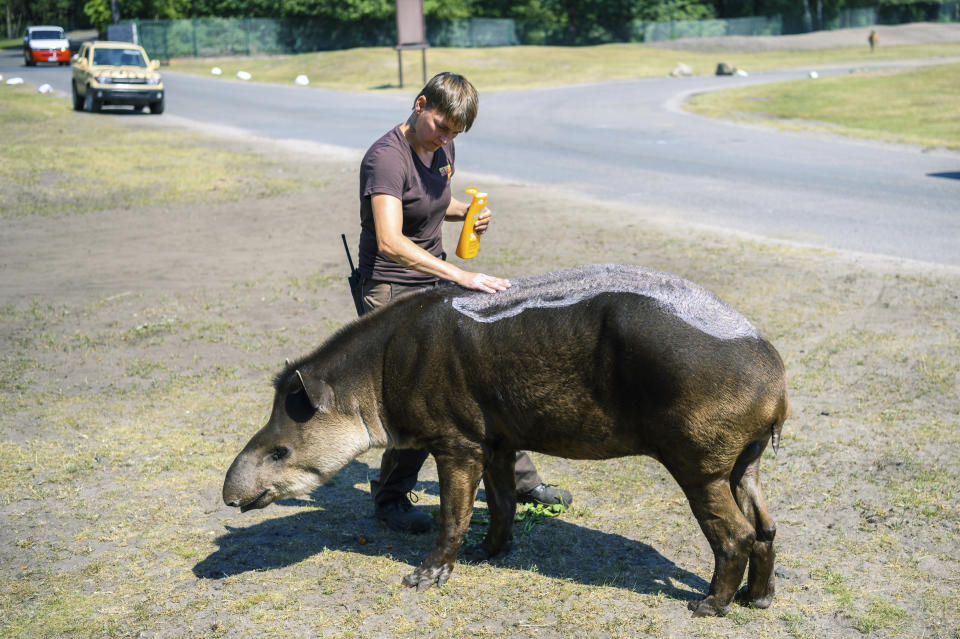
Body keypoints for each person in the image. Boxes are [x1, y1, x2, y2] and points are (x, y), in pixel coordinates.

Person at [356, 71, 572, 533]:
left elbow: (434, 201)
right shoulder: (386, 159)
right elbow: (391, 240)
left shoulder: (441, 147)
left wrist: (466, 212)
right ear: (419, 104)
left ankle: (520, 482)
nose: (446, 138)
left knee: (478, 382)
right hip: (392, 289)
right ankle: (390, 498)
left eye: (455, 132)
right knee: (417, 399)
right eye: (441, 125)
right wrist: (461, 275)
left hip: (432, 280)